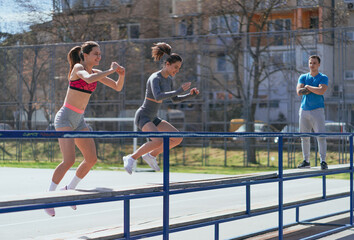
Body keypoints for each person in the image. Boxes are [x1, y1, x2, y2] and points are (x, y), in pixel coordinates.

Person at [45, 41, 125, 217]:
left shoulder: (96, 72)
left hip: (79, 120)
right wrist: (111, 70)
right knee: (69, 160)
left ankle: (69, 189)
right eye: (96, 53)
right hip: (65, 117)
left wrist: (121, 74)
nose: (99, 56)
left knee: (91, 159)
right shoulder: (78, 68)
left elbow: (117, 87)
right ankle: (48, 197)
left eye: (100, 53)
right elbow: (87, 79)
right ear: (85, 55)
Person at [122, 42, 199, 174]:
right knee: (157, 140)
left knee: (177, 138)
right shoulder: (155, 78)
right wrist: (179, 90)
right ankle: (131, 157)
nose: (177, 70)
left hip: (153, 118)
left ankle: (151, 155)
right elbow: (158, 96)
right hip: (143, 116)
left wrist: (189, 95)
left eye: (179, 68)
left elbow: (174, 99)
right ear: (167, 64)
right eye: (176, 67)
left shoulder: (168, 80)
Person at [296, 55, 328, 170]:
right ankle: (306, 160)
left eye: (314, 63)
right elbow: (299, 92)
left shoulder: (323, 77)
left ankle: (323, 161)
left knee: (321, 136)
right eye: (310, 63)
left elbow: (321, 91)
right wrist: (313, 88)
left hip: (317, 110)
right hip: (304, 110)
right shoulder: (303, 77)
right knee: (304, 136)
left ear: (319, 64)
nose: (312, 65)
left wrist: (308, 87)